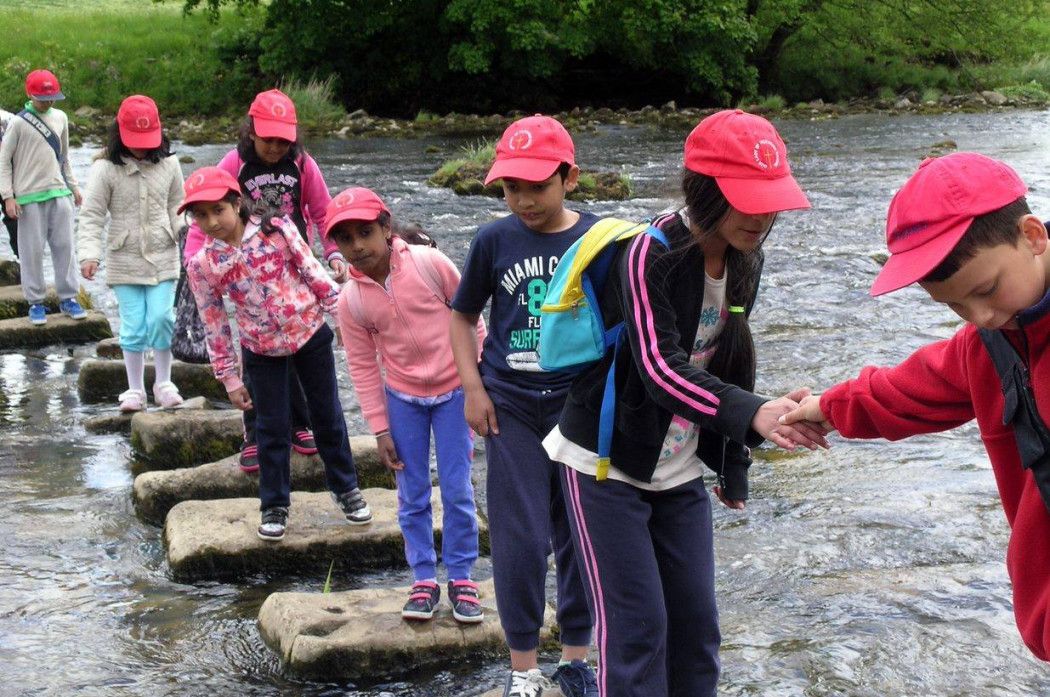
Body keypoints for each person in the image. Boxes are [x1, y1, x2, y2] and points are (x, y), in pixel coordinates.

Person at [543, 110, 825, 697]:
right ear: (704, 190)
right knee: (639, 631)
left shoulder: (747, 258)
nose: (762, 216)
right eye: (748, 199)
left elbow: (728, 357)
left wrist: (735, 458)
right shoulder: (651, 253)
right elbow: (657, 368)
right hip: (606, 463)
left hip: (679, 466)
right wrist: (753, 411)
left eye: (771, 200)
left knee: (697, 630)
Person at [780, 151, 1050, 662]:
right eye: (954, 306)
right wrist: (825, 407)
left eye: (986, 290)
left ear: (1032, 237)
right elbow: (906, 391)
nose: (981, 316)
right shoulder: (989, 343)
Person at [448, 115, 599, 697]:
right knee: (519, 534)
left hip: (578, 407)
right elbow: (462, 316)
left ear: (569, 178)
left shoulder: (599, 241)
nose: (524, 200)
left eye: (537, 186)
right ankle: (523, 668)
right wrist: (473, 388)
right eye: (512, 187)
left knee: (581, 532)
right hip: (509, 406)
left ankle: (577, 658)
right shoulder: (493, 241)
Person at [182, 166, 371, 540]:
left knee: (327, 414)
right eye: (200, 214)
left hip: (309, 332)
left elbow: (314, 272)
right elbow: (214, 322)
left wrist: (343, 322)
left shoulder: (278, 229)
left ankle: (346, 488)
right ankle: (274, 505)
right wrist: (230, 377)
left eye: (218, 210)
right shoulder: (204, 265)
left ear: (237, 203)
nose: (211, 221)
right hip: (261, 349)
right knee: (269, 427)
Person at [327, 187, 487, 623]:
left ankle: (461, 577)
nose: (357, 246)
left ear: (385, 226)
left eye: (365, 233)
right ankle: (422, 579)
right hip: (403, 401)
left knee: (456, 488)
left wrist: (478, 383)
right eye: (345, 239)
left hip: (455, 394)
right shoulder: (352, 300)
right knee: (411, 493)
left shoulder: (430, 264)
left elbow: (472, 316)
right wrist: (379, 428)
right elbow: (361, 367)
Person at [182, 89, 345, 471]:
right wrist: (193, 260)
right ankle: (255, 432)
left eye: (283, 140)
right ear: (251, 130)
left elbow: (322, 212)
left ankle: (301, 424)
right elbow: (206, 210)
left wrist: (333, 252)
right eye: (268, 137)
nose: (275, 146)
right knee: (257, 350)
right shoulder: (234, 162)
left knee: (300, 345)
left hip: (289, 265)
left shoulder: (303, 164)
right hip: (241, 269)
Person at [77, 95, 184, 411]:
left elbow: (178, 206)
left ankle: (164, 382)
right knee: (134, 324)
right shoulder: (104, 169)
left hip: (165, 255)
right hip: (124, 258)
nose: (141, 147)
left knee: (163, 318)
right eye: (134, 141)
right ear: (118, 133)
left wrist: (187, 237)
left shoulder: (170, 164)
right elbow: (93, 214)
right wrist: (89, 254)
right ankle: (135, 389)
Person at [0, 69, 87, 325]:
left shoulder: (60, 117)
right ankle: (35, 302)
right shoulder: (17, 123)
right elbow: (4, 162)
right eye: (42, 98)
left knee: (65, 247)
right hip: (28, 197)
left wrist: (74, 186)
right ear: (29, 94)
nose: (47, 103)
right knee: (31, 252)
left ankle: (68, 297)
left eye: (51, 98)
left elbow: (64, 157)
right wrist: (8, 197)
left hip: (59, 192)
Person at [0, 105, 16, 258]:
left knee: (15, 220)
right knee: (15, 220)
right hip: (14, 176)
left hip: (10, 176)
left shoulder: (11, 119)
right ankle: (25, 262)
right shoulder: (12, 118)